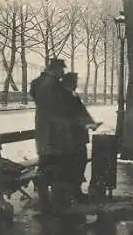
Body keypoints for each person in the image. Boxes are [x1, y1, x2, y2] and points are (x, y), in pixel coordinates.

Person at [29, 58, 74, 214]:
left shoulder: (37, 82)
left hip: (42, 128)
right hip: (55, 130)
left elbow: (35, 98)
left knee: (44, 162)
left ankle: (44, 199)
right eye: (61, 70)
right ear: (54, 69)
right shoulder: (55, 85)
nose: (62, 73)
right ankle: (56, 202)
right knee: (57, 165)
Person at [60, 72, 101, 202]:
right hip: (71, 138)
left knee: (80, 162)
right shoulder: (65, 97)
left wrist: (91, 123)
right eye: (75, 81)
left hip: (77, 137)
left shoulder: (72, 95)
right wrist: (86, 124)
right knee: (75, 163)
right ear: (69, 82)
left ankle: (75, 191)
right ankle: (73, 192)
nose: (77, 84)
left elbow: (82, 113)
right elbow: (71, 117)